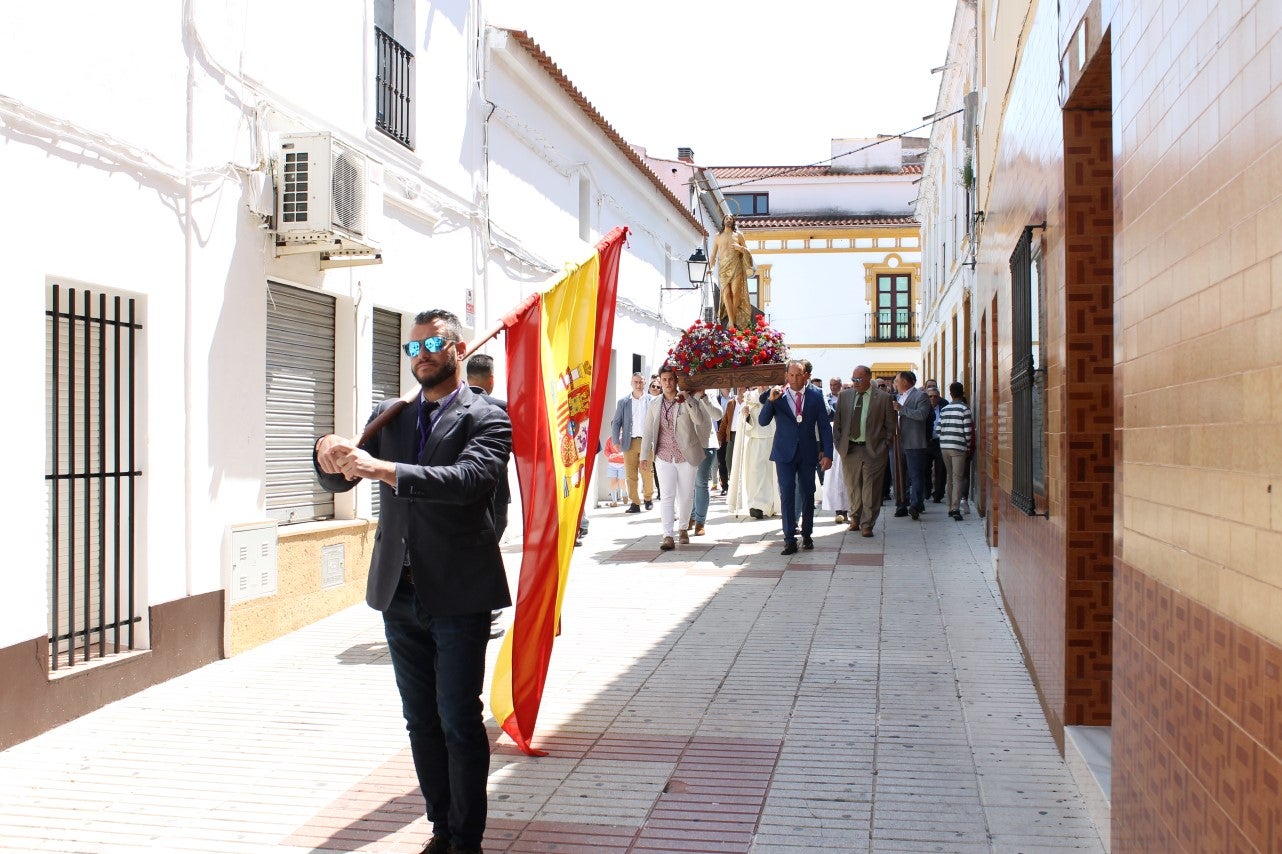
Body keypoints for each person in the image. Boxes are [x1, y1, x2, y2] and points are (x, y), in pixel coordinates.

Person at [314, 309, 510, 854]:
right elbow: (338, 472)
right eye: (412, 347)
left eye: (432, 343)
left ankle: (466, 841)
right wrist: (326, 447)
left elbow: (470, 481)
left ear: (458, 348)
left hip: (459, 592)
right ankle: (441, 827)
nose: (420, 354)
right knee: (420, 721)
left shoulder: (488, 417)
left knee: (459, 719)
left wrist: (383, 470)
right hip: (398, 592)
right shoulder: (391, 414)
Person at [758, 361, 834, 554]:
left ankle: (807, 534)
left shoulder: (816, 395)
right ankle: (789, 538)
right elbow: (763, 421)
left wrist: (828, 453)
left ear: (806, 375)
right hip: (784, 453)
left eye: (798, 375)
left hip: (808, 452)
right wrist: (771, 401)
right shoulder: (776, 394)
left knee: (808, 492)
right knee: (787, 494)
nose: (794, 380)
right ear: (786, 376)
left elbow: (824, 426)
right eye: (790, 375)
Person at [639, 366, 714, 551]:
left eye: (670, 379)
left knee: (686, 495)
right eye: (664, 379)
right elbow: (648, 431)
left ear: (676, 380)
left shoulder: (685, 400)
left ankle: (683, 529)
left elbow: (699, 420)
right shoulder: (654, 404)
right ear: (660, 381)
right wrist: (643, 456)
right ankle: (667, 535)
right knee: (666, 496)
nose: (667, 383)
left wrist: (687, 398)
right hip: (663, 455)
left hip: (686, 455)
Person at [466, 352, 512, 641]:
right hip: (493, 496)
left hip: (457, 496)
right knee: (484, 555)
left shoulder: (449, 407)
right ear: (492, 380)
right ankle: (482, 612)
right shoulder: (500, 408)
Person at [832, 365, 897, 537]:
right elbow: (837, 424)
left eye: (859, 379)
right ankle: (855, 518)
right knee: (853, 487)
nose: (855, 383)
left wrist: (885, 445)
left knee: (871, 489)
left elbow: (891, 425)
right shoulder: (844, 396)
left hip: (874, 450)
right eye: (853, 379)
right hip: (850, 449)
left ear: (869, 378)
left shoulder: (883, 398)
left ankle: (867, 523)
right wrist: (839, 445)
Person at [726, 387, 778, 519]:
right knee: (756, 473)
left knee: (772, 474)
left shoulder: (776, 392)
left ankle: (772, 505)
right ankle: (756, 506)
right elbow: (743, 424)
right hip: (756, 440)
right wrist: (746, 415)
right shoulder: (749, 397)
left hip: (774, 438)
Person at [609, 373, 655, 514]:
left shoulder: (652, 400)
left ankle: (648, 498)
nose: (638, 384)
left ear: (645, 383)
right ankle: (635, 503)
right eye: (635, 382)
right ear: (631, 383)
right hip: (629, 442)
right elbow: (616, 422)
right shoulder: (623, 402)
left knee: (647, 472)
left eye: (641, 382)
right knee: (630, 474)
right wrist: (616, 441)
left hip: (647, 441)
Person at [892, 370, 934, 520]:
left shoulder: (920, 396)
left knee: (915, 475)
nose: (894, 384)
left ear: (905, 382)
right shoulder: (898, 397)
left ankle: (916, 505)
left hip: (915, 442)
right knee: (899, 475)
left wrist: (902, 409)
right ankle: (901, 504)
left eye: (896, 381)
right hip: (897, 443)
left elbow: (922, 415)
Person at [688, 388, 725, 536]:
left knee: (701, 482)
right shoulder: (682, 393)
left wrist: (703, 397)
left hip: (705, 444)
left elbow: (718, 415)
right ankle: (690, 516)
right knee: (687, 483)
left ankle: (700, 521)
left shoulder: (708, 394)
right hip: (686, 444)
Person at [708, 213, 754, 329]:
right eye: (726, 218)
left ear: (733, 221)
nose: (728, 220)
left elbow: (747, 250)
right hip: (723, 267)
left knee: (735, 292)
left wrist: (741, 248)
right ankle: (731, 321)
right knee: (726, 293)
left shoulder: (738, 235)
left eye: (730, 219)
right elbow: (713, 254)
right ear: (723, 221)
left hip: (736, 266)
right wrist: (711, 268)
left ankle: (731, 320)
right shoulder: (718, 236)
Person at [938, 382, 975, 520]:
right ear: (962, 392)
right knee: (958, 477)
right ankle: (955, 508)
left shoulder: (944, 409)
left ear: (951, 393)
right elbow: (967, 431)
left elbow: (938, 430)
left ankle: (949, 506)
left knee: (950, 476)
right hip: (958, 447)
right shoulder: (964, 409)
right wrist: (967, 447)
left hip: (944, 447)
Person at [926, 386, 947, 504]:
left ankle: (938, 494)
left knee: (941, 470)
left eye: (935, 396)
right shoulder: (923, 409)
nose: (933, 398)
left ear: (939, 398)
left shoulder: (944, 409)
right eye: (930, 396)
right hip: (927, 442)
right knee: (925, 469)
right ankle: (927, 491)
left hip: (940, 442)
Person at [602, 436, 626, 506]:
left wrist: (623, 454)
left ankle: (625, 494)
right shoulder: (610, 439)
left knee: (622, 482)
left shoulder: (625, 439)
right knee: (613, 483)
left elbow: (628, 449)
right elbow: (606, 450)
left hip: (622, 464)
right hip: (612, 464)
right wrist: (610, 455)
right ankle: (614, 501)